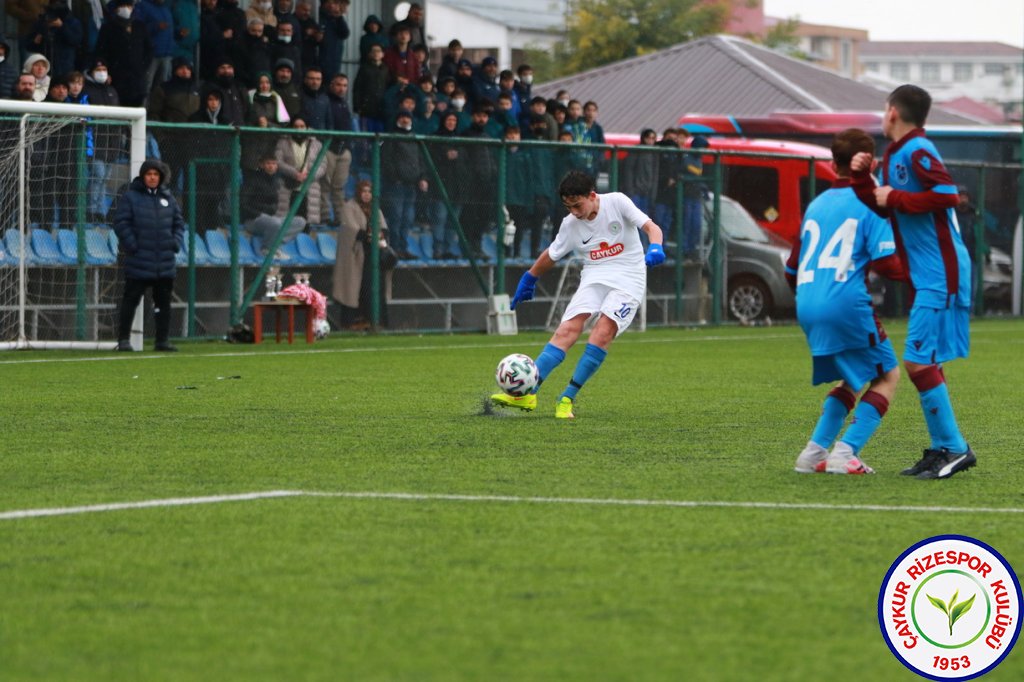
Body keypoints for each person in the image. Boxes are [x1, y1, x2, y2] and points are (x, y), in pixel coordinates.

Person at [850, 84, 976, 480]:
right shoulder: (895, 155)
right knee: (927, 360)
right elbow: (886, 206)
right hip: (929, 273)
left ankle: (954, 448)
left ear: (893, 113)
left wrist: (896, 198)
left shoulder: (917, 149)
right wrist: (863, 182)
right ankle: (945, 448)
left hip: (943, 271)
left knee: (918, 361)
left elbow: (948, 194)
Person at [491, 170, 665, 419]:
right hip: (594, 276)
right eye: (568, 206)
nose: (574, 211)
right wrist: (529, 278)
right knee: (566, 330)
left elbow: (651, 227)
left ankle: (566, 398)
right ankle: (527, 393)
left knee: (602, 332)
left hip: (629, 278)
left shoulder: (617, 202)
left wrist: (656, 246)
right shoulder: (571, 224)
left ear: (592, 195)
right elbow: (552, 254)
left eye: (577, 205)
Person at [785, 129, 906, 475]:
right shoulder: (870, 202)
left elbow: (792, 268)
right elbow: (887, 264)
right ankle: (845, 452)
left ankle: (812, 454)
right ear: (872, 162)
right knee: (887, 375)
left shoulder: (817, 203)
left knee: (853, 376)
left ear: (832, 163)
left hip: (807, 302)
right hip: (845, 301)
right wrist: (916, 272)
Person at [113, 159, 185, 352]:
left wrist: (175, 243)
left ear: (160, 177)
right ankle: (123, 340)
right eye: (149, 174)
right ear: (143, 176)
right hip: (139, 259)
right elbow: (121, 222)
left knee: (163, 302)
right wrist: (133, 245)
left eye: (155, 174)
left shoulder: (168, 198)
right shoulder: (131, 197)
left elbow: (179, 224)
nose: (152, 178)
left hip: (164, 260)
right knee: (131, 300)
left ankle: (162, 341)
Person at [333, 179, 392, 329]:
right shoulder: (349, 207)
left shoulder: (375, 209)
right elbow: (350, 230)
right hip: (357, 256)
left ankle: (375, 321)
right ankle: (354, 322)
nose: (367, 195)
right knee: (355, 289)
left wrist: (379, 236)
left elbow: (383, 228)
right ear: (359, 192)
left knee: (374, 288)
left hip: (374, 255)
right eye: (364, 191)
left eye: (369, 191)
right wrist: (368, 235)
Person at [241, 152, 306, 253]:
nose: (271, 166)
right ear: (261, 165)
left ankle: (275, 243)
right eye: (268, 163)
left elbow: (291, 185)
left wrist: (299, 178)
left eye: (274, 164)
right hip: (253, 219)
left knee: (300, 221)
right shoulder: (252, 180)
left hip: (271, 219)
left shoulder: (277, 180)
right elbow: (243, 205)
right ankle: (267, 249)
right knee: (275, 223)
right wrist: (260, 213)